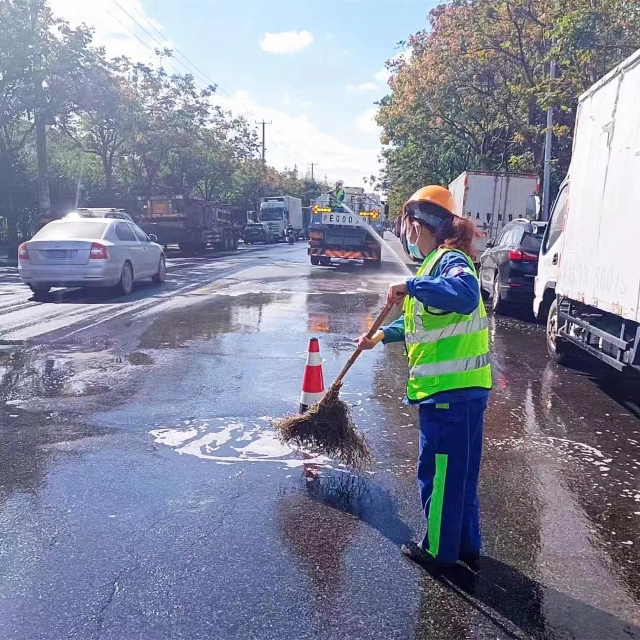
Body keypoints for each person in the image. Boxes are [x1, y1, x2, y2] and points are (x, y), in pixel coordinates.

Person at [354, 184, 492, 571]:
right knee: (459, 475)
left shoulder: (449, 262)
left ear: (418, 224)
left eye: (406, 224)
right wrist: (380, 335)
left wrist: (411, 285)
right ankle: (465, 544)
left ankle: (437, 549)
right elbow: (422, 323)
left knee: (439, 474)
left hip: (448, 395)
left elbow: (464, 295)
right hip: (464, 392)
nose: (404, 234)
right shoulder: (436, 265)